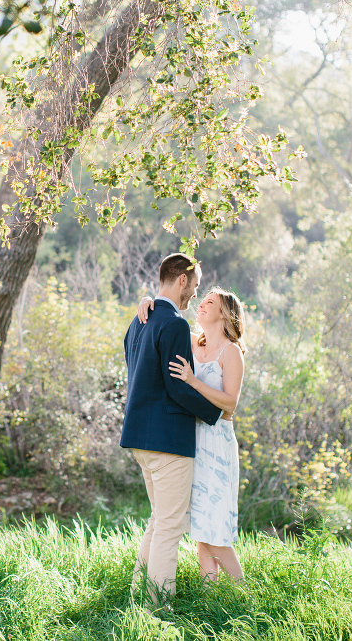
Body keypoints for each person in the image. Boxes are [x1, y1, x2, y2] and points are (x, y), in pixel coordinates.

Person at [121, 254, 223, 603]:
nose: (193, 295)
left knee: (159, 520)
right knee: (170, 526)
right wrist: (215, 414)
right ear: (181, 280)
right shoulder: (175, 324)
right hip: (168, 441)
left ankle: (139, 594)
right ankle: (157, 608)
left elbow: (140, 376)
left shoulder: (138, 322)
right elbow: (178, 386)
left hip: (139, 438)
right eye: (194, 287)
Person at [137, 287, 246, 583]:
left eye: (210, 301)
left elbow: (229, 404)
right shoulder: (192, 343)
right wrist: (149, 302)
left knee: (216, 534)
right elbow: (163, 320)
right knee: (200, 527)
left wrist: (193, 381)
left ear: (224, 313)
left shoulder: (231, 351)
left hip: (217, 443)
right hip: (191, 440)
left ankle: (245, 594)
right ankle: (209, 596)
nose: (201, 304)